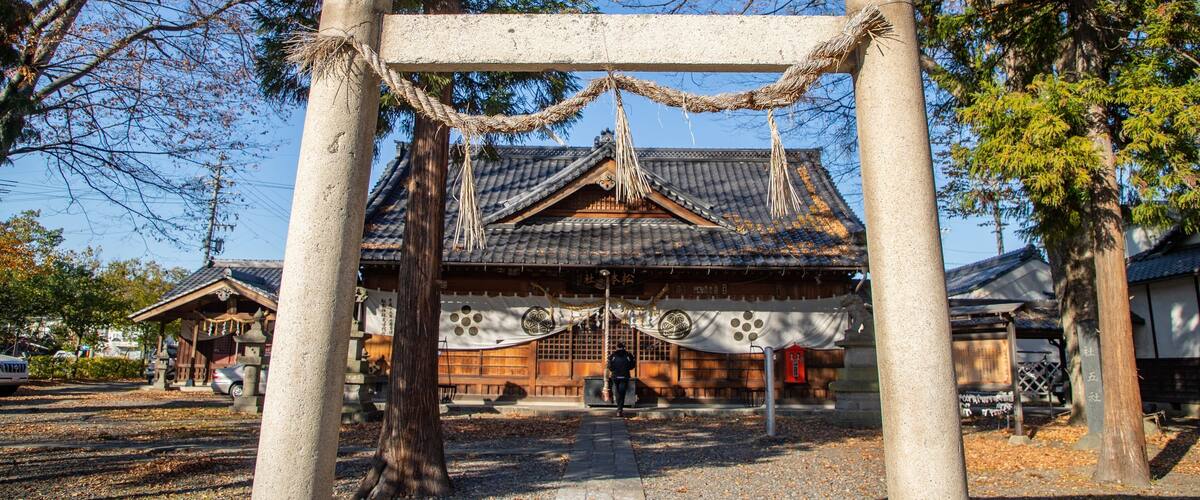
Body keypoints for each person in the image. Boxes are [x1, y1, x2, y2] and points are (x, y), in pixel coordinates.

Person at [607, 342, 636, 417]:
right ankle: (620, 409)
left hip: (615, 376)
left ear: (617, 347)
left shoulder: (613, 355)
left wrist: (614, 369)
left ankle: (618, 408)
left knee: (617, 391)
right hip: (625, 375)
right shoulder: (628, 355)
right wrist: (627, 368)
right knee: (622, 392)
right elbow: (632, 365)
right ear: (624, 347)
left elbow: (609, 366)